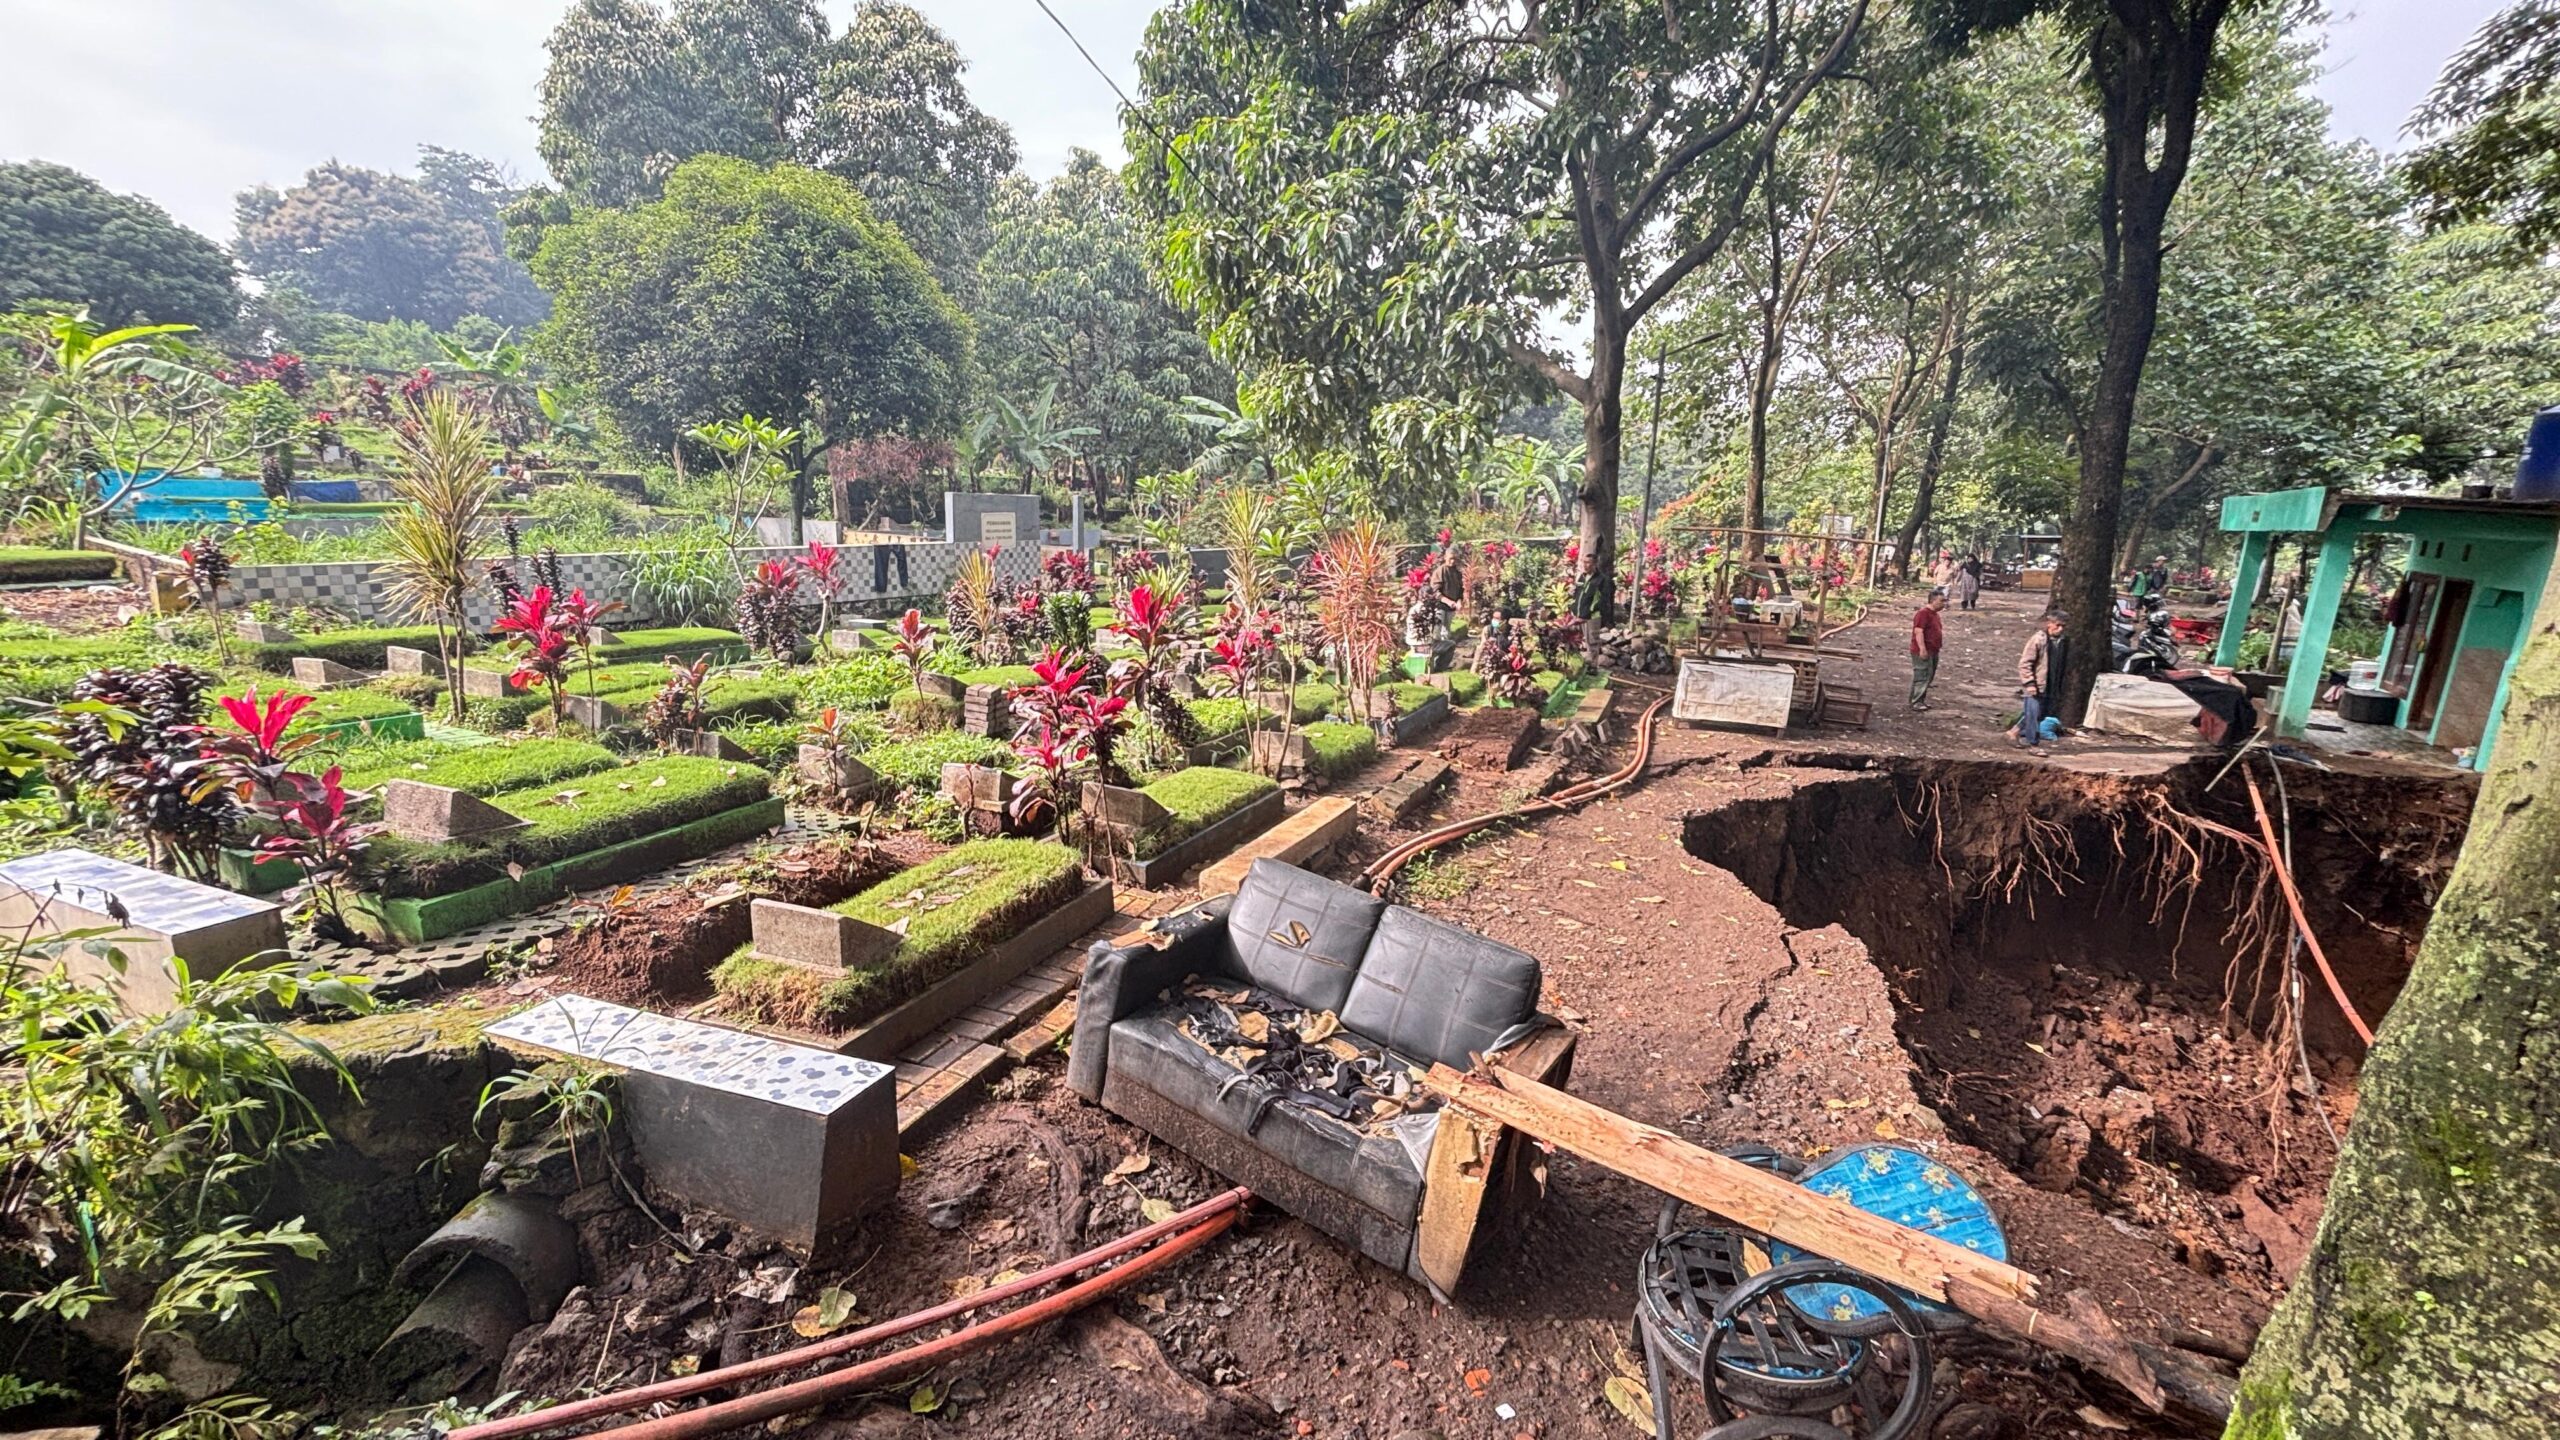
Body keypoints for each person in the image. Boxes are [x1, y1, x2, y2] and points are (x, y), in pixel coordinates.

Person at [2014, 609, 2068, 750]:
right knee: (2033, 716)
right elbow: (2025, 664)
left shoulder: (2061, 642)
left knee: (2039, 714)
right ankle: (2033, 744)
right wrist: (2030, 683)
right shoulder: (2038, 640)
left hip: (2050, 685)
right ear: (2049, 624)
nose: (2060, 629)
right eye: (2058, 625)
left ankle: (2013, 732)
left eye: (2063, 626)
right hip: (2035, 685)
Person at [1910, 588, 1949, 710]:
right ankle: (1916, 701)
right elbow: (1918, 631)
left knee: (1928, 675)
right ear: (1933, 601)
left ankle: (1919, 699)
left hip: (1933, 650)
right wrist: (1922, 648)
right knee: (1922, 675)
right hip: (1923, 649)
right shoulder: (1923, 614)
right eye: (1941, 601)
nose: (1944, 604)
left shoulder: (1935, 615)